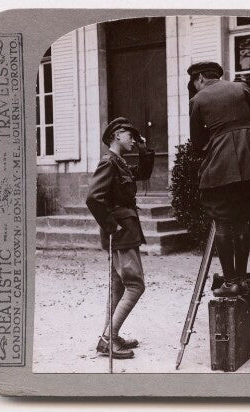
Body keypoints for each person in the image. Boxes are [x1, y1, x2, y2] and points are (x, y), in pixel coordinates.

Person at [187, 61, 250, 297]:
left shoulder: (198, 100)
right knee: (242, 220)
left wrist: (220, 139)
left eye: (194, 83)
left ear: (199, 79)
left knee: (224, 222)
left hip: (221, 167)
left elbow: (197, 144)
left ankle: (230, 282)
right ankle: (242, 277)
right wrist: (244, 135)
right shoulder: (241, 88)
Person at [86, 117, 155, 359]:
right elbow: (94, 198)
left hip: (124, 231)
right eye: (130, 135)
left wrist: (144, 150)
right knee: (135, 285)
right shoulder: (109, 163)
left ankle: (110, 336)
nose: (133, 140)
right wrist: (111, 227)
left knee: (118, 286)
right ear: (117, 135)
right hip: (121, 233)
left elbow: (143, 173)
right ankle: (108, 340)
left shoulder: (120, 163)